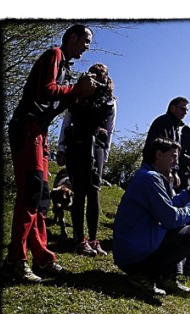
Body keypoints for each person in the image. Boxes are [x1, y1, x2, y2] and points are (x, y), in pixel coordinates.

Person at [2, 24, 98, 283]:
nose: (87, 47)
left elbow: (55, 104)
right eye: (86, 41)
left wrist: (81, 93)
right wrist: (76, 88)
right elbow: (46, 90)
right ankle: (15, 260)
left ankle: (42, 258)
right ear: (73, 37)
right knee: (31, 192)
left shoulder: (65, 67)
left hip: (40, 131)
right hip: (27, 127)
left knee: (42, 197)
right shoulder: (54, 54)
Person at [112, 138, 190, 296]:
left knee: (183, 227)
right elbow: (170, 218)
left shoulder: (147, 175)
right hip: (134, 255)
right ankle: (145, 274)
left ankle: (165, 277)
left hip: (132, 250)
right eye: (173, 156)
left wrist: (189, 192)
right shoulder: (150, 178)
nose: (176, 162)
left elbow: (166, 207)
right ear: (159, 155)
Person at [57, 62, 117, 257]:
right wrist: (61, 148)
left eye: (101, 75)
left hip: (96, 147)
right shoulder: (77, 97)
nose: (97, 78)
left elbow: (110, 129)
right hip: (76, 145)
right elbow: (66, 122)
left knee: (94, 192)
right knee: (79, 192)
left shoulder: (109, 102)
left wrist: (104, 155)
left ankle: (93, 239)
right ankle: (79, 240)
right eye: (94, 74)